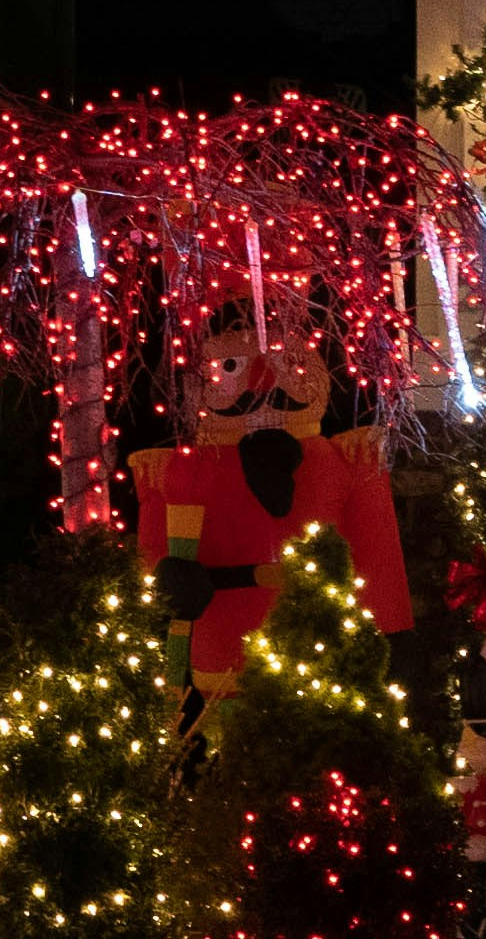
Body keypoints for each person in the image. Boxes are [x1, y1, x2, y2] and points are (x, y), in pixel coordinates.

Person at [128, 294, 412, 693]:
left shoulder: (346, 458)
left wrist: (385, 641)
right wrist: (167, 581)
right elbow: (153, 554)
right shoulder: (178, 469)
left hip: (321, 641)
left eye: (286, 362)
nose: (261, 382)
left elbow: (376, 553)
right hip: (225, 645)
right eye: (230, 367)